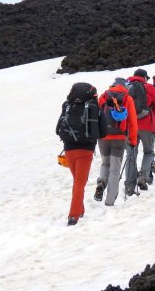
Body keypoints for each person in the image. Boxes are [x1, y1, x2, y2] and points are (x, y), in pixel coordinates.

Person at [55, 82, 102, 226]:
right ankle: (73, 216)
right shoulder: (93, 106)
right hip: (86, 149)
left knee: (77, 181)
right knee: (80, 183)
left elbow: (58, 129)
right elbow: (102, 132)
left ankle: (80, 210)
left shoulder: (67, 105)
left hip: (69, 148)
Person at [94, 78, 138, 206]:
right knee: (115, 169)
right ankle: (110, 201)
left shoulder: (104, 96)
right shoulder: (127, 98)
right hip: (119, 138)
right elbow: (132, 121)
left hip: (103, 137)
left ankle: (101, 183)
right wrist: (133, 140)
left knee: (105, 163)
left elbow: (97, 115)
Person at [124, 68, 155, 194]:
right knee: (149, 152)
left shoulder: (126, 87)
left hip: (130, 126)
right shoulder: (149, 87)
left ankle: (129, 187)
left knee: (131, 156)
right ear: (144, 77)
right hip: (147, 125)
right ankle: (142, 177)